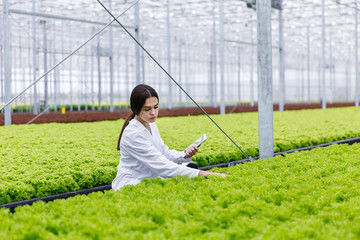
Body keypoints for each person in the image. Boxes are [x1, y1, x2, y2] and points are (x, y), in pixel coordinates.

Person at [112, 84, 228, 190]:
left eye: (156, 107)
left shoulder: (150, 123)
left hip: (150, 179)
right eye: (147, 109)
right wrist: (207, 174)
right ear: (136, 109)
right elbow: (164, 167)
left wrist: (184, 154)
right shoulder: (133, 134)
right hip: (132, 184)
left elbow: (163, 152)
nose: (153, 113)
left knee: (188, 167)